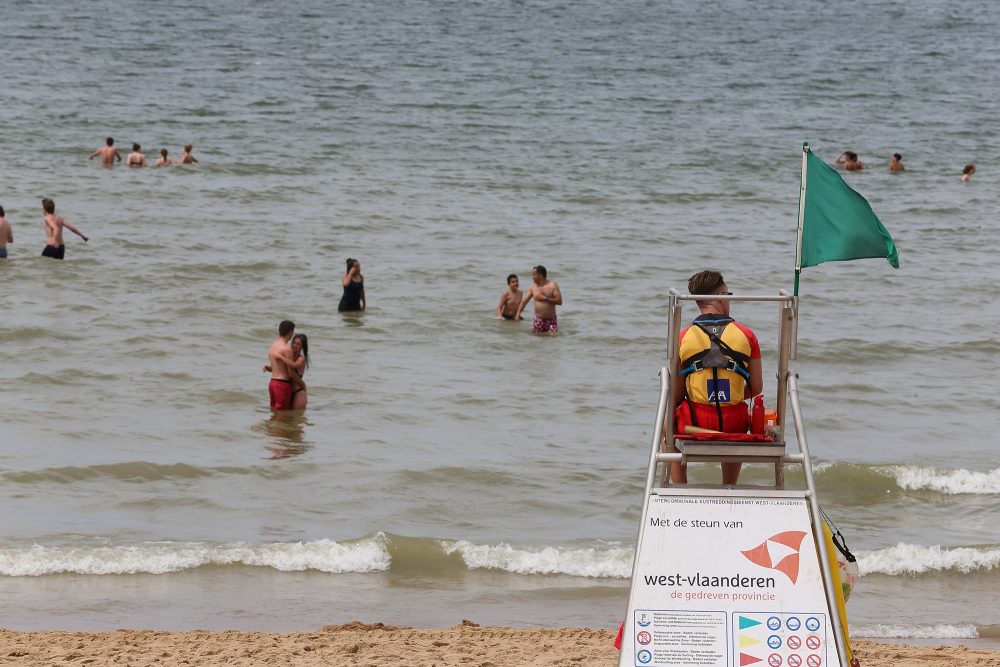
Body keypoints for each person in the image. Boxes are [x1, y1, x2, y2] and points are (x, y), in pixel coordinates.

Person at [672, 270, 763, 485]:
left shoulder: (682, 337)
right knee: (738, 410)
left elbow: (676, 394)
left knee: (668, 427)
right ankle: (729, 485)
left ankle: (680, 489)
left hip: (696, 422)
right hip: (734, 425)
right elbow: (756, 387)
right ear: (722, 295)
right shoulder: (747, 334)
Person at [264, 333, 309, 410]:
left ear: (302, 347)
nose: (295, 345)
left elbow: (293, 365)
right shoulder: (288, 355)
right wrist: (269, 368)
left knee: (297, 419)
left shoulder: (301, 359)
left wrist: (280, 356)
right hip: (287, 392)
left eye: (298, 344)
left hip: (298, 393)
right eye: (293, 342)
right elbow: (282, 369)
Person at [515, 265, 562, 333]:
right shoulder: (533, 288)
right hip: (538, 319)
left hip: (551, 320)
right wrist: (518, 314)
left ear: (540, 275)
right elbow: (524, 301)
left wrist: (544, 298)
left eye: (534, 275)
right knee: (537, 340)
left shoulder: (552, 285)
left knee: (552, 339)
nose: (532, 277)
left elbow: (559, 301)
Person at [266, 320, 298, 411]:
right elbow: (291, 372)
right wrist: (301, 385)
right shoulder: (286, 349)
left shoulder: (272, 346)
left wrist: (269, 368)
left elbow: (276, 367)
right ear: (290, 333)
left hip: (272, 383)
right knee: (282, 415)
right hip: (282, 384)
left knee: (274, 412)